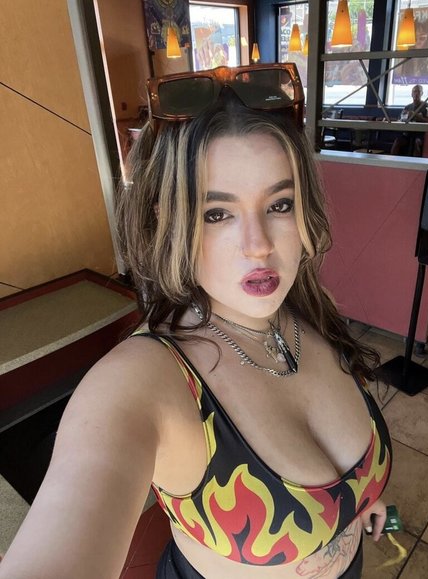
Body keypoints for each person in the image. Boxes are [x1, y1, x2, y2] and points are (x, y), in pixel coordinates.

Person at [0, 63, 392, 579]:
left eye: (279, 204)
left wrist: (362, 495)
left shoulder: (308, 312)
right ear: (169, 221)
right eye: (216, 214)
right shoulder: (141, 384)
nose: (259, 246)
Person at [391, 85, 428, 156]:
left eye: (418, 91)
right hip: (407, 133)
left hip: (419, 134)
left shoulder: (426, 106)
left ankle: (416, 162)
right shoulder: (407, 107)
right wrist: (405, 117)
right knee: (397, 141)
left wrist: (415, 115)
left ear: (422, 93)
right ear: (411, 94)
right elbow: (399, 119)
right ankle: (391, 160)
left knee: (416, 143)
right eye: (414, 91)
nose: (416, 93)